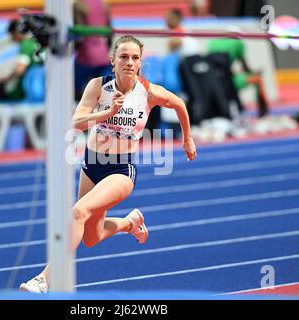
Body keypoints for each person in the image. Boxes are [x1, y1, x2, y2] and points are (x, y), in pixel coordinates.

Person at [19, 35, 197, 293]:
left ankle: (45, 278)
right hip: (91, 165)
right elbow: (76, 122)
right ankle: (129, 223)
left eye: (135, 58)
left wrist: (187, 139)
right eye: (123, 57)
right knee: (91, 236)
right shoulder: (98, 87)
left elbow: (179, 103)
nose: (129, 62)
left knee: (78, 212)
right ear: (112, 61)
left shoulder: (148, 92)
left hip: (121, 170)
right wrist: (107, 113)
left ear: (140, 62)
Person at [207, 28, 269, 117]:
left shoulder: (213, 42)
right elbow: (245, 67)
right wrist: (255, 72)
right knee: (258, 79)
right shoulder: (238, 43)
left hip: (214, 82)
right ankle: (263, 112)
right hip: (228, 83)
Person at [0, 19, 42, 101]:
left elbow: (20, 70)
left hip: (21, 92)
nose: (12, 39)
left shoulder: (25, 45)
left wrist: (7, 79)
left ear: (16, 33)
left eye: (12, 36)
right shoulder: (36, 42)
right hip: (38, 85)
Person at [73, 0, 112, 101]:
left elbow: (79, 33)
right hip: (103, 55)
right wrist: (105, 49)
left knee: (75, 91)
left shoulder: (79, 5)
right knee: (106, 94)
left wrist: (75, 49)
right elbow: (110, 32)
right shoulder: (104, 5)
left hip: (86, 55)